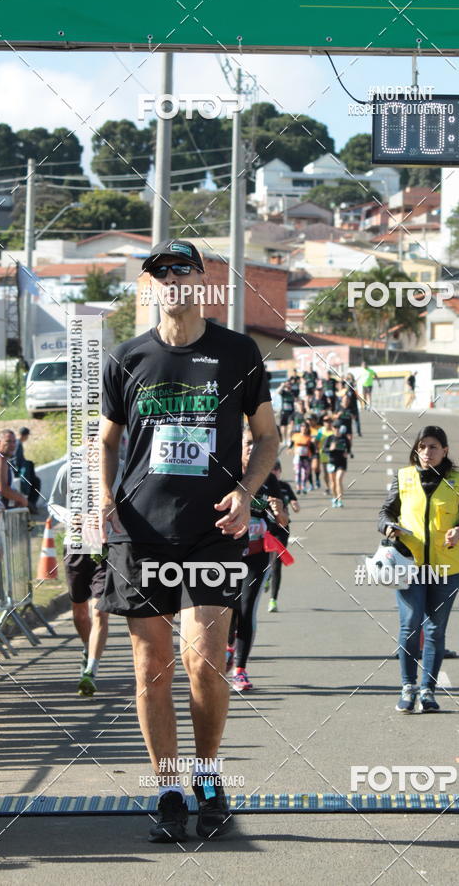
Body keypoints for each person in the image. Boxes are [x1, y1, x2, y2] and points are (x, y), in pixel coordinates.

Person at [98, 237, 279, 843]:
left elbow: (267, 436)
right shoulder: (127, 357)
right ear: (150, 285)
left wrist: (248, 492)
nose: (173, 280)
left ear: (202, 283)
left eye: (184, 270)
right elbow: (106, 440)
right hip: (141, 531)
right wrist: (103, 497)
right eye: (161, 272)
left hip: (211, 530)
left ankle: (208, 776)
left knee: (203, 660)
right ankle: (169, 787)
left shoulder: (237, 351)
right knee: (151, 665)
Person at [377, 425, 459, 714]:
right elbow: (385, 512)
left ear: (444, 451)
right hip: (409, 566)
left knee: (435, 630)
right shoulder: (404, 477)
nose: (426, 452)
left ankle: (428, 690)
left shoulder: (458, 480)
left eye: (433, 447)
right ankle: (408, 686)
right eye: (422, 447)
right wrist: (387, 526)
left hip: (447, 567)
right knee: (410, 626)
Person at [227, 433, 287, 690]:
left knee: (247, 608)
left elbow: (282, 522)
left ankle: (240, 669)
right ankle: (228, 645)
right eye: (247, 444)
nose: (252, 448)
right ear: (239, 448)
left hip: (257, 553)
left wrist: (278, 511)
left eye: (256, 444)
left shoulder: (270, 479)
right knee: (227, 609)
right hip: (227, 554)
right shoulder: (226, 475)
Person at [49, 460, 109, 696]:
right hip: (75, 546)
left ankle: (90, 671)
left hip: (105, 546)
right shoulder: (70, 468)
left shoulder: (120, 465)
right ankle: (88, 648)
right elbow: (52, 502)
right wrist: (70, 516)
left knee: (99, 610)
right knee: (80, 612)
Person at [267, 460, 299, 613]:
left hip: (281, 529)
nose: (273, 472)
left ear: (279, 471)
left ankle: (273, 599)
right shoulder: (262, 484)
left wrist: (294, 505)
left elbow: (294, 501)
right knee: (266, 561)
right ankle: (266, 577)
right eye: (271, 470)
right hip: (266, 529)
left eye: (276, 470)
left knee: (277, 562)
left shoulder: (285, 487)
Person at [0, 429, 28, 510]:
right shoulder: (0, 460)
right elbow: (3, 489)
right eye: (8, 441)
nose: (12, 445)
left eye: (14, 442)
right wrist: (22, 499)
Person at [13, 427, 42, 515]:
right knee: (35, 482)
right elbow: (16, 461)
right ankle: (30, 505)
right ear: (25, 436)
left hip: (21, 471)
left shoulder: (18, 443)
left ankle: (31, 504)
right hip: (19, 472)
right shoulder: (18, 444)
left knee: (36, 481)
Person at [326, 420, 352, 508]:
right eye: (335, 427)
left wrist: (347, 453)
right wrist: (330, 449)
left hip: (342, 462)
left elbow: (348, 448)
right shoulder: (330, 438)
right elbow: (324, 450)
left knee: (338, 480)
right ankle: (334, 498)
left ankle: (340, 500)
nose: (336, 429)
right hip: (332, 462)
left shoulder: (344, 438)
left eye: (338, 427)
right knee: (332, 482)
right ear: (332, 428)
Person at [290, 422, 314, 495]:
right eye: (302, 426)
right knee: (298, 472)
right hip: (297, 457)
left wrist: (312, 455)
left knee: (305, 473)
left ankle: (303, 486)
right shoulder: (295, 436)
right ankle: (298, 487)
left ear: (307, 429)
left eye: (305, 427)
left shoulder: (309, 437)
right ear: (300, 428)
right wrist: (289, 449)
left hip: (306, 457)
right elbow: (291, 444)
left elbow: (312, 448)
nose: (304, 428)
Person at [277, 381, 296, 446]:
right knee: (283, 427)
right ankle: (284, 439)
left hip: (291, 412)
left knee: (291, 426)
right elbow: (277, 391)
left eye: (289, 384)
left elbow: (296, 400)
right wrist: (282, 385)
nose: (288, 385)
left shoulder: (292, 392)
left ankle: (288, 439)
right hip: (284, 411)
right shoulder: (283, 392)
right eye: (287, 384)